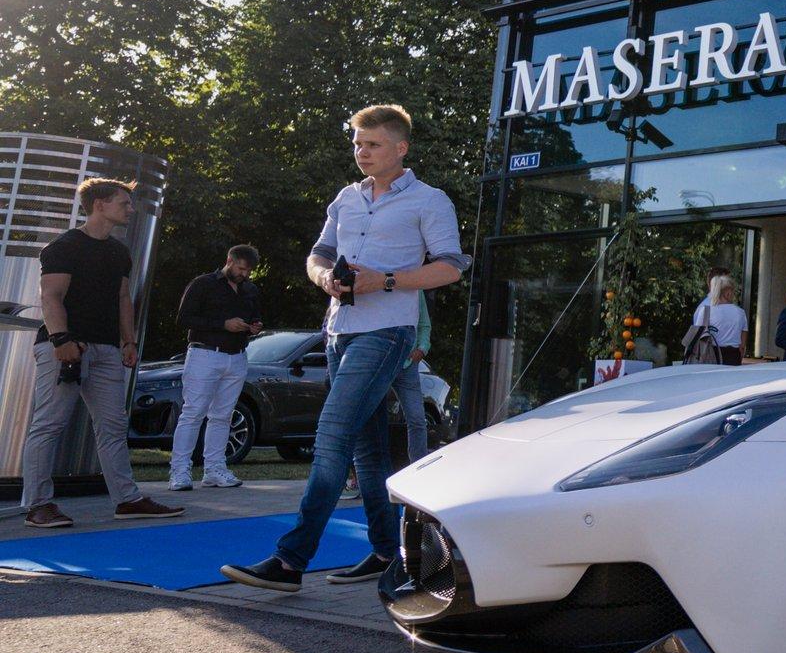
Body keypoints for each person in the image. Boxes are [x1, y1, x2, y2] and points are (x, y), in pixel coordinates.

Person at [221, 104, 468, 592]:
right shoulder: (346, 198)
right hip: (339, 329)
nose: (362, 152)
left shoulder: (429, 200)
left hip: (388, 331)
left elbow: (450, 268)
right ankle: (385, 552)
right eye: (357, 143)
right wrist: (323, 279)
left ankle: (290, 560)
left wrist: (387, 280)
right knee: (366, 448)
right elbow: (319, 255)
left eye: (372, 144)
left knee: (332, 435)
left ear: (401, 148)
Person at [18, 178, 184, 527]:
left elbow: (123, 298)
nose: (130, 209)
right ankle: (38, 505)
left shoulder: (118, 251)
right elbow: (51, 297)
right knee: (49, 425)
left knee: (112, 425)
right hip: (66, 347)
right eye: (124, 203)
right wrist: (61, 340)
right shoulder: (63, 247)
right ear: (99, 205)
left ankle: (128, 500)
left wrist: (128, 342)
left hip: (108, 349)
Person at [168, 243, 264, 491]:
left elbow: (253, 316)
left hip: (237, 356)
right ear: (230, 260)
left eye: (249, 271)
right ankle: (179, 470)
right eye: (241, 268)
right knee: (193, 412)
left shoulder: (250, 290)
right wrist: (223, 324)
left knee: (223, 415)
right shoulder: (203, 284)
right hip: (205, 353)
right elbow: (184, 318)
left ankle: (215, 468)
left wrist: (253, 326)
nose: (244, 274)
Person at [390, 292, 432, 466]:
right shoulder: (373, 276)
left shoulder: (415, 288)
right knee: (366, 418)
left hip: (407, 364)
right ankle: (358, 475)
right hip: (378, 362)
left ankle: (418, 469)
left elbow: (424, 324)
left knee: (416, 419)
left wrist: (422, 349)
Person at [691, 274, 748, 365]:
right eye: (733, 292)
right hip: (733, 357)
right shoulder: (741, 313)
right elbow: (742, 346)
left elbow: (696, 338)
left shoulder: (706, 311)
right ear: (728, 293)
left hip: (709, 356)